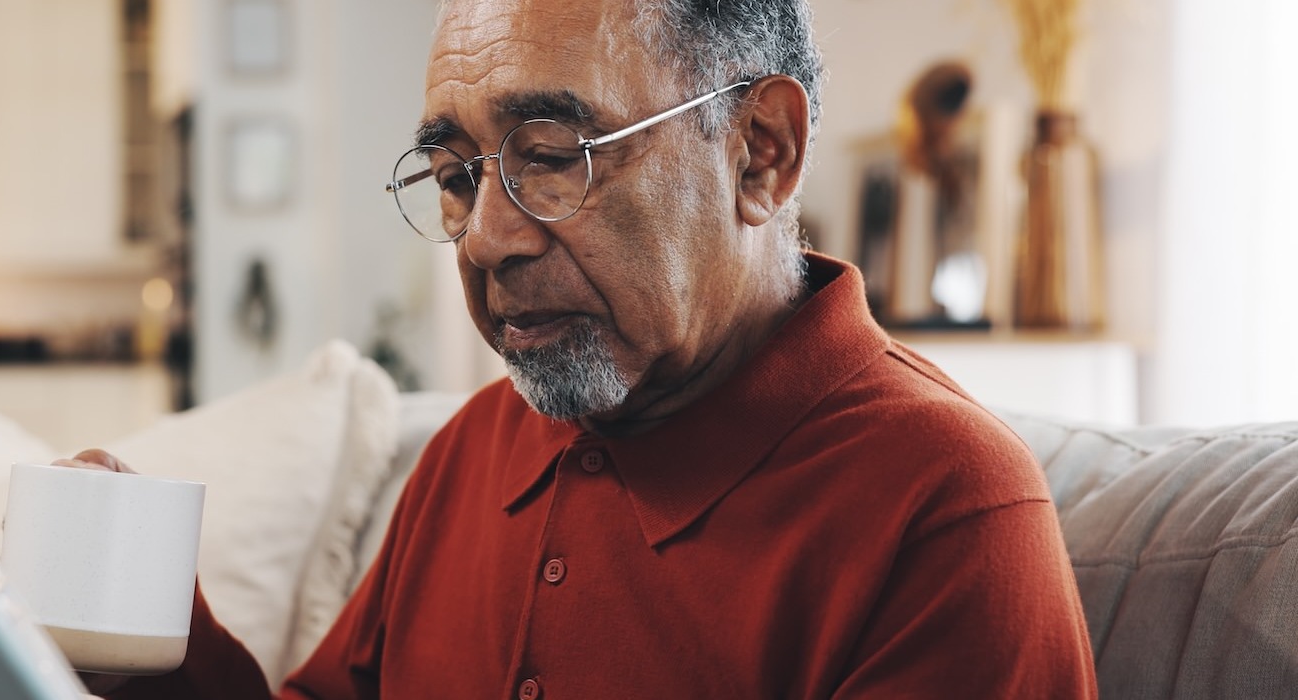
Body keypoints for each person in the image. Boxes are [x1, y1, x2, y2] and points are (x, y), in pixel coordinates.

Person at [68, 0, 1098, 696]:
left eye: (554, 158)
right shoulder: (478, 446)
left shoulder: (945, 506)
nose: (482, 235)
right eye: (456, 173)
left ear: (761, 153)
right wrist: (157, 650)